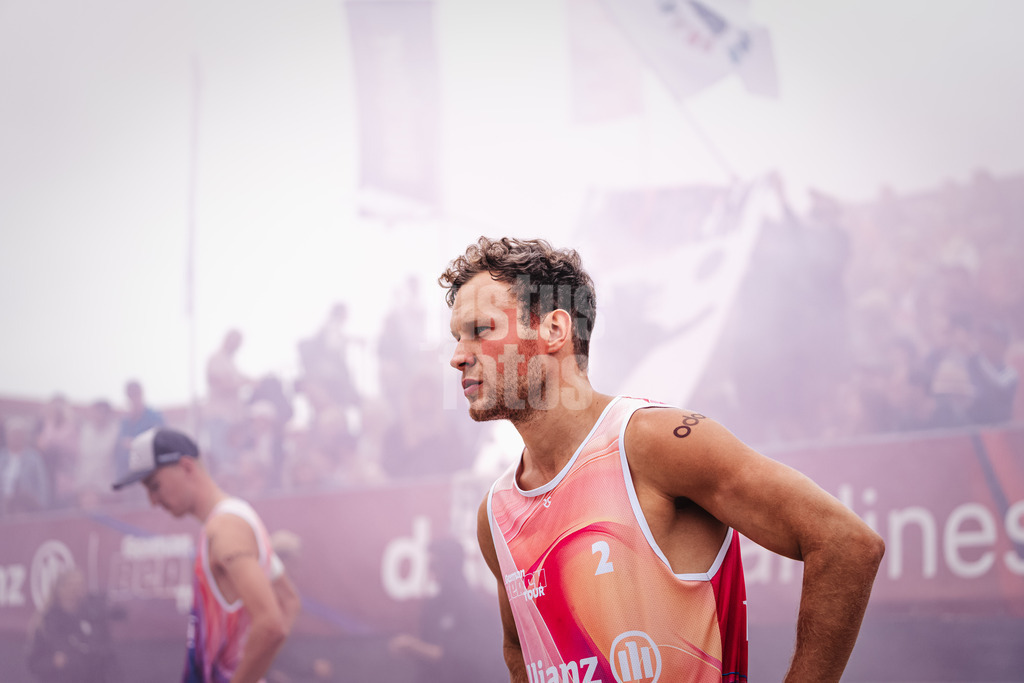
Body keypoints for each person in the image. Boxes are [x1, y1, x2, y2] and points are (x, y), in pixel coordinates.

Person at [438, 237, 885, 682]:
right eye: (457, 337)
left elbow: (846, 543)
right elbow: (520, 650)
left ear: (554, 330)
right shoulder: (495, 513)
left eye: (481, 330)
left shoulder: (655, 441)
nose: (458, 356)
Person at [112, 427, 301, 682]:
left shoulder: (224, 528)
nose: (153, 501)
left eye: (155, 485)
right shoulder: (234, 517)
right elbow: (288, 601)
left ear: (187, 468)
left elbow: (271, 625)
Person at [25, 567, 122, 683]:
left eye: (80, 585)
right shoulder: (46, 622)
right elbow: (33, 663)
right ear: (59, 589)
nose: (75, 590)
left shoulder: (94, 617)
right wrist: (54, 662)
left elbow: (109, 656)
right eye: (70, 584)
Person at [0, 415, 51, 515]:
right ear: (7, 436)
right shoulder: (1, 456)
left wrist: (42, 508)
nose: (16, 437)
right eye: (13, 434)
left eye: (20, 434)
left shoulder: (34, 458)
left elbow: (43, 484)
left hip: (25, 507)